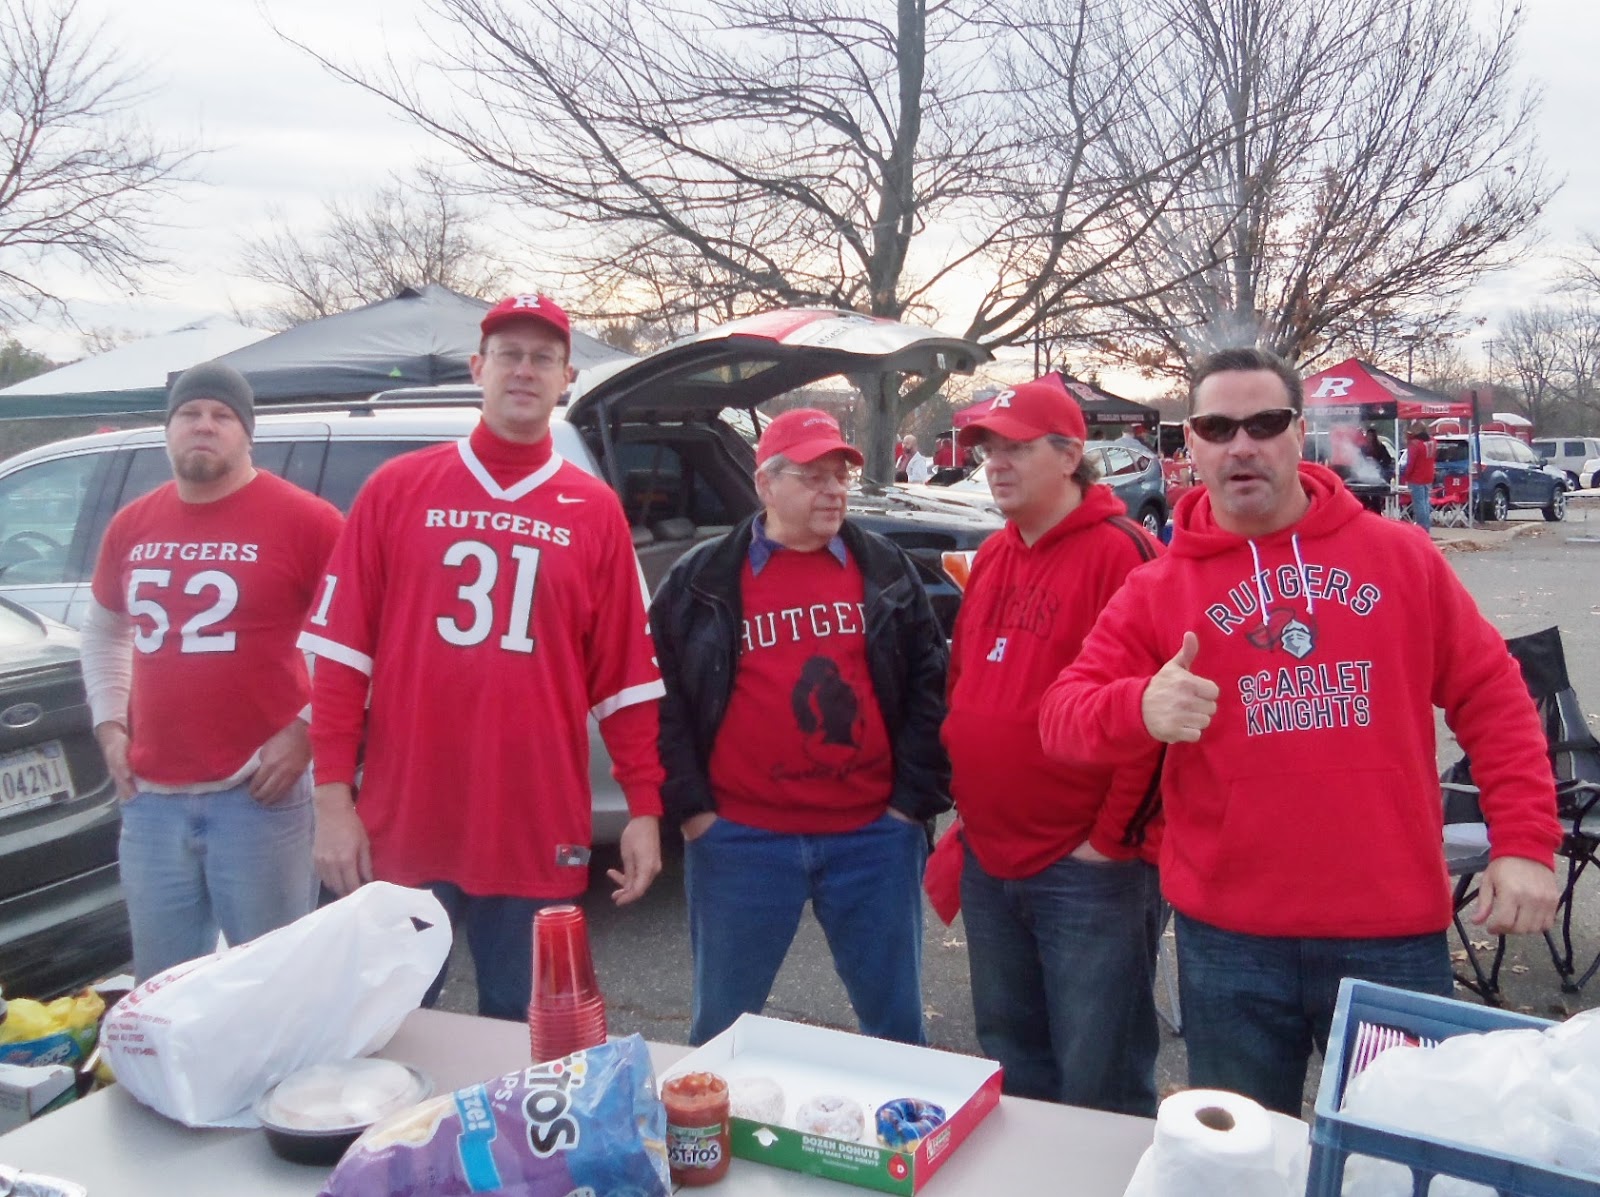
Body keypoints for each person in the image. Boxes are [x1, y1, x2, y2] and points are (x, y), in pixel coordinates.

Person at [1037, 347, 1561, 1116]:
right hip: (1231, 942)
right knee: (1246, 1163)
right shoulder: (1157, 588)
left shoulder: (1399, 558)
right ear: (1192, 447)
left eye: (1265, 422)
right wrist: (1138, 708)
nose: (1241, 444)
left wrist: (1524, 843)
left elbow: (1493, 695)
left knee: (1397, 1157)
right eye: (1217, 426)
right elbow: (1060, 719)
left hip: (1390, 933)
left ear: (1300, 433)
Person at [300, 293, 666, 1022]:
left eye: (543, 357)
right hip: (406, 820)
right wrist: (332, 800)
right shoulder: (396, 490)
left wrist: (644, 807)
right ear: (479, 367)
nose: (524, 370)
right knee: (383, 1024)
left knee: (524, 1032)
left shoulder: (593, 512)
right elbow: (340, 661)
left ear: (566, 377)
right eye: (509, 354)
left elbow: (626, 681)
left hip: (534, 822)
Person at [651, 407, 950, 1046]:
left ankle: (898, 1142)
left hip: (872, 839)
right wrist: (692, 811)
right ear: (766, 484)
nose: (835, 490)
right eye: (814, 476)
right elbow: (663, 700)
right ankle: (715, 1142)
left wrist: (910, 806)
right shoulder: (703, 579)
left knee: (895, 1027)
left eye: (840, 475)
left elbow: (933, 687)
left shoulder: (886, 570)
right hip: (740, 842)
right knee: (722, 1032)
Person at [942, 377, 1165, 1116]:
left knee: (1098, 1070)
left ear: (1070, 454)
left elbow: (1156, 719)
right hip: (991, 855)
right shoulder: (995, 557)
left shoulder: (1123, 553)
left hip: (1086, 869)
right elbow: (964, 684)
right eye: (987, 449)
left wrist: (1110, 839)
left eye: (1014, 447)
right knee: (1012, 1059)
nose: (995, 463)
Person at [81, 362, 345, 981]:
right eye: (189, 414)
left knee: (271, 983)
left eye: (222, 415)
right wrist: (109, 726)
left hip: (257, 795)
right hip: (150, 800)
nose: (205, 426)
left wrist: (307, 731)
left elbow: (360, 640)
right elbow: (104, 629)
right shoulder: (132, 524)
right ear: (167, 429)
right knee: (166, 990)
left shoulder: (307, 521)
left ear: (247, 433)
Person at [1402, 421, 1436, 532]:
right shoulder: (1433, 441)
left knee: (1419, 503)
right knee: (1426, 502)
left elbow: (1411, 463)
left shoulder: (1415, 444)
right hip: (1428, 475)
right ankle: (1426, 526)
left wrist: (1406, 476)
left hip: (1417, 476)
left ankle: (1423, 527)